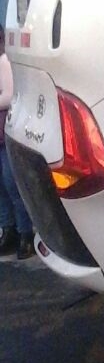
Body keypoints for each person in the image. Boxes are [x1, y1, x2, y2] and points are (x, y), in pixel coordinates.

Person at [0, 25, 34, 260]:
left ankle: (25, 234)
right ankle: (8, 230)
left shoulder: (4, 61)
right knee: (1, 188)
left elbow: (10, 95)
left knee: (12, 185)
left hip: (4, 134)